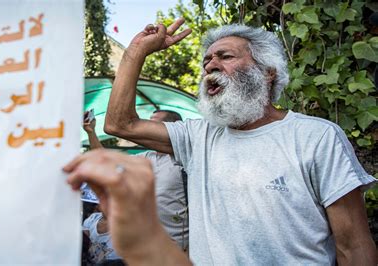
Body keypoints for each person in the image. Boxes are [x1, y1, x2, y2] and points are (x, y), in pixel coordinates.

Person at [97, 18, 377, 265]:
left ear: (268, 72)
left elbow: (353, 247)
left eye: (225, 56)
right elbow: (120, 124)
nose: (210, 66)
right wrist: (136, 51)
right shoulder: (199, 138)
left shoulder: (316, 137)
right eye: (206, 61)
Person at [82, 110, 189, 251]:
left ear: (171, 128)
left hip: (174, 249)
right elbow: (106, 162)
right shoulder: (144, 158)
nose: (146, 126)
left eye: (153, 123)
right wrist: (91, 132)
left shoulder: (187, 161)